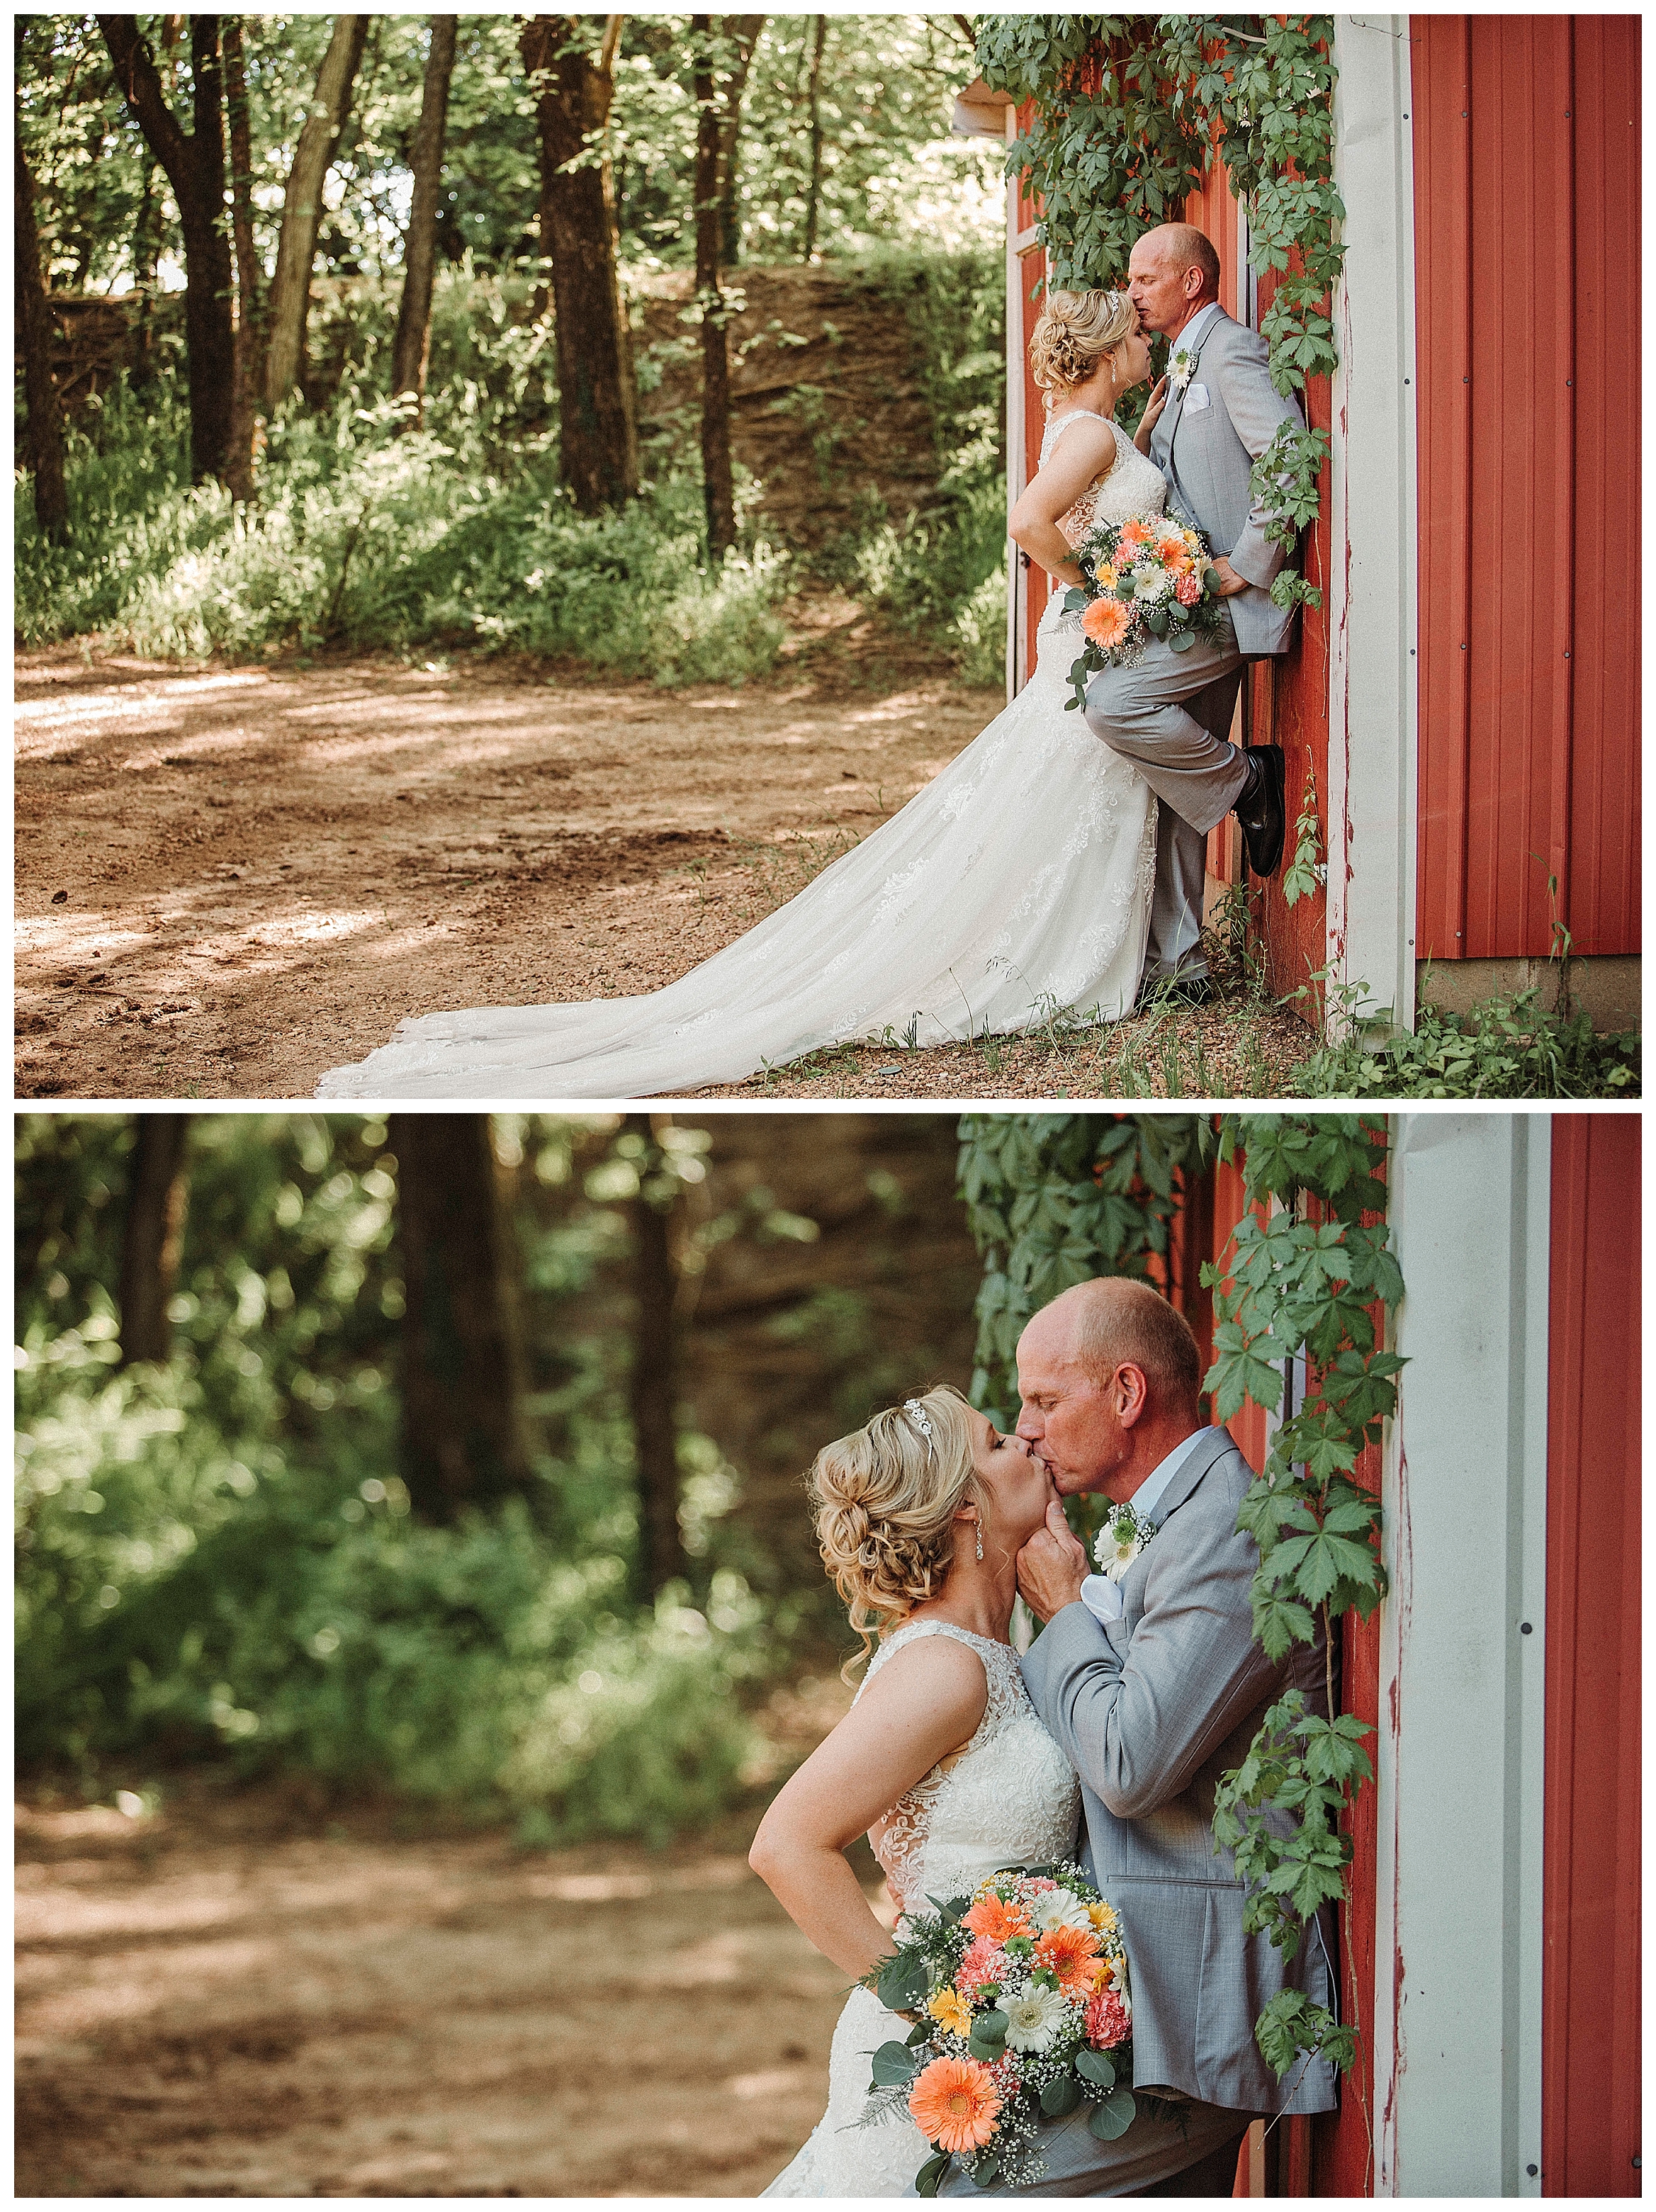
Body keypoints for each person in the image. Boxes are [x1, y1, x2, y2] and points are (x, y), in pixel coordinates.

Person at [315, 292, 1205, 1100]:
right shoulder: (1089, 436)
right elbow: (1029, 522)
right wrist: (1095, 583)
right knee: (1056, 792)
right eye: (1133, 334)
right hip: (1090, 633)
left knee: (1043, 803)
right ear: (1101, 349)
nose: (1145, 339)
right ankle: (1038, 955)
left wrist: (1144, 442)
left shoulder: (1086, 425)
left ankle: (1053, 943)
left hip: (1085, 646)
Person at [929, 1277, 1339, 2197]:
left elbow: (1127, 1763)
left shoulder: (1227, 1529)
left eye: (1043, 1399)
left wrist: (1064, 1609)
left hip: (1192, 2010)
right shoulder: (1148, 1524)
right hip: (1125, 2001)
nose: (1025, 1428)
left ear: (1124, 1393)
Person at [751, 1385, 1080, 2196]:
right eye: (1001, 1441)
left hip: (1022, 2055)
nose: (1029, 1445)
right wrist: (940, 2020)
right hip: (935, 2081)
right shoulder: (944, 1665)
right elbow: (786, 1845)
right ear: (966, 1506)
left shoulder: (1008, 1643)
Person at [1083, 222, 1305, 1006]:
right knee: (1179, 776)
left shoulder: (1232, 351)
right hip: (1184, 600)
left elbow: (1287, 458)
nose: (1132, 291)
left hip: (1228, 604)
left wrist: (1246, 567)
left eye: (1146, 279)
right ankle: (1181, 967)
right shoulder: (1181, 360)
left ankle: (1248, 779)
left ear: (1192, 283)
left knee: (1116, 703)